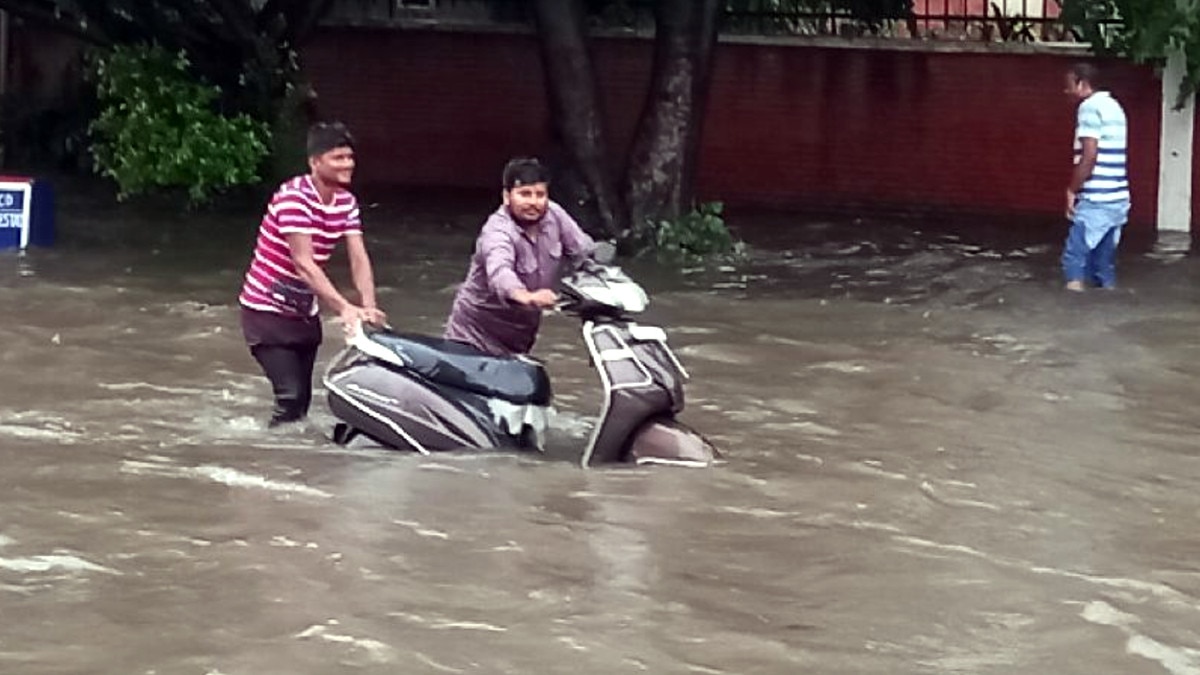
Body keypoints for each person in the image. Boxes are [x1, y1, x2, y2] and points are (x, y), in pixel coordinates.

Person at [238, 121, 386, 427]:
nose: (347, 165)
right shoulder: (295, 197)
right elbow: (304, 263)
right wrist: (345, 308)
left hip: (304, 312)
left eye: (349, 157)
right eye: (338, 158)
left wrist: (368, 304)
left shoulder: (346, 202)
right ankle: (267, 456)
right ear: (315, 162)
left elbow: (358, 256)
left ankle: (292, 462)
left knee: (302, 402)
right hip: (265, 311)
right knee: (289, 397)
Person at [445, 157, 595, 356]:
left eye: (540, 194)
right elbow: (500, 272)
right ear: (507, 196)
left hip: (519, 340)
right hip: (472, 339)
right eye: (524, 194)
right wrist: (527, 296)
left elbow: (582, 251)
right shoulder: (498, 232)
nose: (533, 202)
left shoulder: (555, 215)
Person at [1062, 63, 1131, 292]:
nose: (1066, 91)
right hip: (1118, 199)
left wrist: (1072, 190)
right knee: (1103, 266)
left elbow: (1089, 155)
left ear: (1082, 84)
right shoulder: (1114, 106)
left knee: (1074, 259)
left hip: (1096, 199)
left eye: (1069, 85)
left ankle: (1070, 316)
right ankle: (1106, 307)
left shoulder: (1089, 108)